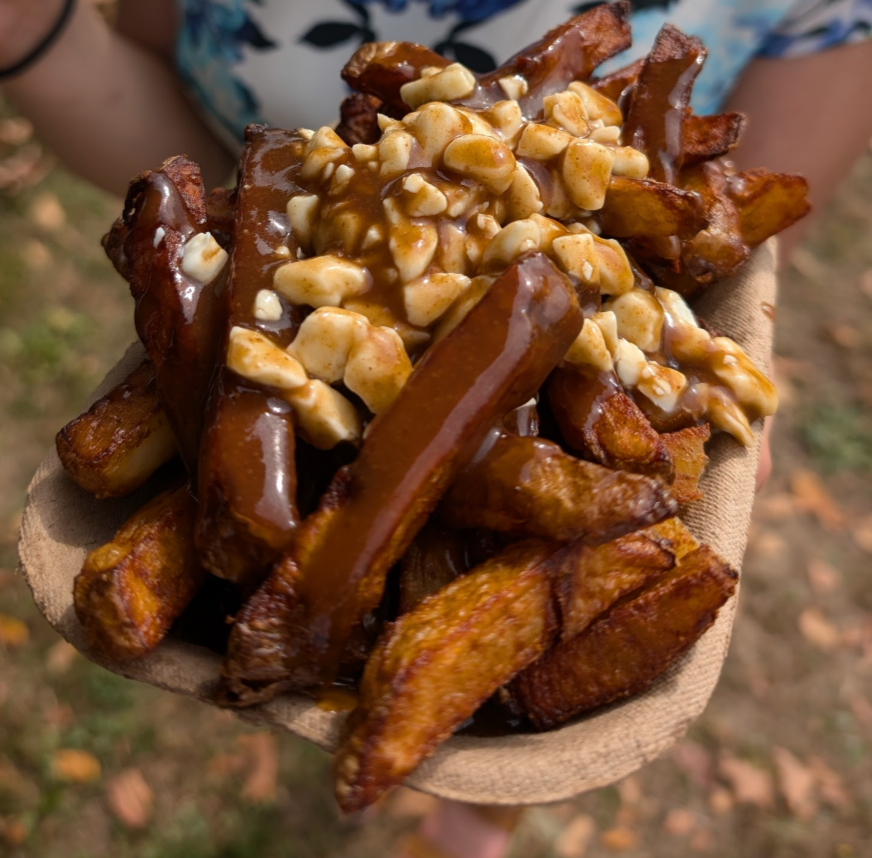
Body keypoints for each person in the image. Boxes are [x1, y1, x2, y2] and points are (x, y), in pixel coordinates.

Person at [2, 2, 872, 857]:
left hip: (554, 343)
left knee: (489, 732)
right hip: (314, 236)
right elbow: (142, 114)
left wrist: (687, 368)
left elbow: (743, 248)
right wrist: (33, 35)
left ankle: (473, 821)